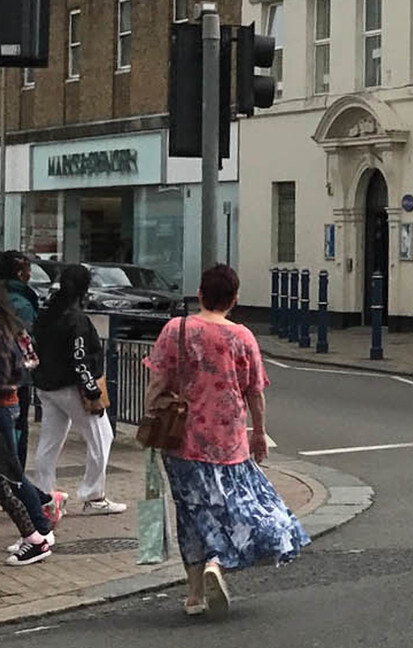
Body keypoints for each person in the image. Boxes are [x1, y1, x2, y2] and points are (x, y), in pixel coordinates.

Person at [145, 265, 308, 618]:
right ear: (234, 299)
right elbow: (255, 392)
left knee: (190, 513)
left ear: (200, 293)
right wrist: (259, 433)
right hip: (229, 442)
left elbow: (157, 382)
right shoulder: (242, 338)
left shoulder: (177, 329)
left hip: (181, 441)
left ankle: (192, 595)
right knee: (236, 508)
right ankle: (217, 562)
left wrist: (154, 417)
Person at [0, 272, 56, 565]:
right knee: (3, 473)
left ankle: (39, 531)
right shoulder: (4, 322)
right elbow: (27, 362)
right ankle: (38, 528)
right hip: (1, 404)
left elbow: (4, 371)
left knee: (8, 474)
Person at [29, 264, 124, 515]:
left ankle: (43, 493)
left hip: (47, 386)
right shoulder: (77, 319)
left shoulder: (46, 314)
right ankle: (93, 495)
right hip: (72, 389)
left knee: (50, 441)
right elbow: (80, 358)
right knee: (102, 437)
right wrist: (91, 389)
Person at [0, 252, 39, 464]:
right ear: (19, 273)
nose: (30, 274)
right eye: (27, 271)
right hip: (10, 380)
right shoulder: (18, 303)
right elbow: (22, 340)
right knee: (15, 434)